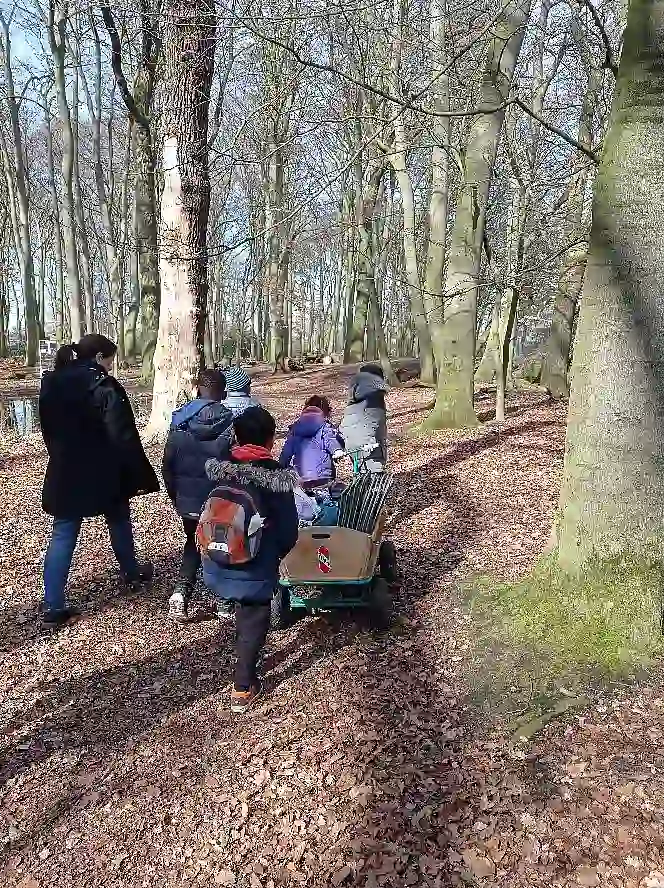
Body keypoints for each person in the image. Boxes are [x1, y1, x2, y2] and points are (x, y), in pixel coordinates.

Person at [39, 334, 159, 625]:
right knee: (118, 519)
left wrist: (60, 456)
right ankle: (131, 571)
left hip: (66, 469)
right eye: (109, 359)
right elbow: (123, 436)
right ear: (97, 358)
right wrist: (137, 472)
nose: (110, 365)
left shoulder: (52, 383)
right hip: (105, 470)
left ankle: (54, 604)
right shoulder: (103, 386)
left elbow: (48, 430)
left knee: (64, 532)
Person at [200, 406, 298, 713]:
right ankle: (243, 686)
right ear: (270, 440)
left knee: (238, 602)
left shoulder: (219, 468)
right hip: (254, 565)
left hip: (215, 559)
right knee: (254, 617)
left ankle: (226, 605)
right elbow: (287, 531)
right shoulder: (275, 477)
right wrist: (276, 554)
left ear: (237, 436)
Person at [162, 368, 235, 623]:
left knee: (194, 542)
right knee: (221, 543)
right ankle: (224, 604)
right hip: (219, 499)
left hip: (188, 501)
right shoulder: (232, 423)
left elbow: (167, 466)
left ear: (197, 389)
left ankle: (180, 595)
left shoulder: (179, 422)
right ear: (223, 393)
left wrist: (177, 497)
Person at [278, 395, 345, 485]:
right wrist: (337, 450)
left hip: (301, 476)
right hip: (323, 476)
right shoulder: (325, 427)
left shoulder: (295, 430)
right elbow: (331, 440)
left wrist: (281, 467)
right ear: (325, 412)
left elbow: (286, 453)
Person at [339, 363, 389, 472]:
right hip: (369, 445)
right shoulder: (374, 395)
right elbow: (374, 421)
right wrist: (371, 441)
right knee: (374, 480)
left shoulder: (355, 394)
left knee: (360, 476)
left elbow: (347, 422)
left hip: (351, 442)